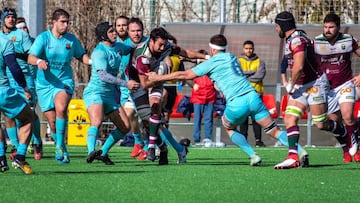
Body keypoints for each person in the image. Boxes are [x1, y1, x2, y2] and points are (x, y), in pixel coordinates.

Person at [146, 34, 309, 167]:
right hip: (254, 97)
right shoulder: (231, 57)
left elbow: (185, 75)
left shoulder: (212, 62)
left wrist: (159, 77)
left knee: (228, 126)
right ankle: (300, 151)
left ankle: (253, 156)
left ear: (211, 48)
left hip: (237, 102)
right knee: (273, 130)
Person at [273, 11, 348, 169]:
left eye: (277, 26)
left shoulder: (297, 40)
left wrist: (290, 85)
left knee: (320, 124)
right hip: (301, 85)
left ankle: (344, 133)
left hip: (314, 85)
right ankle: (293, 156)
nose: (276, 29)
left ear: (282, 26)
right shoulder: (292, 39)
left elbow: (299, 66)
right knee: (289, 119)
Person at [27, 9, 91, 164]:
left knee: (61, 108)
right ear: (54, 22)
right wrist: (39, 62)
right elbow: (30, 57)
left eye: (68, 22)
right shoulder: (44, 38)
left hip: (64, 82)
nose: (66, 25)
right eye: (63, 21)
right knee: (52, 122)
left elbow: (80, 55)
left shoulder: (71, 40)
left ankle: (59, 147)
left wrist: (91, 62)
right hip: (44, 85)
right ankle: (61, 145)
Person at [84, 22, 139, 165]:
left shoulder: (119, 47)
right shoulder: (99, 52)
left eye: (115, 31)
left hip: (109, 94)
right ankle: (91, 151)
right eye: (111, 31)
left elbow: (133, 48)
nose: (115, 33)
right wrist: (125, 83)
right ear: (103, 35)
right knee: (96, 121)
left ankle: (102, 152)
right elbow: (103, 76)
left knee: (125, 127)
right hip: (95, 92)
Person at [313, 13, 360, 162]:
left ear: (338, 28)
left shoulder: (348, 40)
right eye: (325, 27)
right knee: (332, 122)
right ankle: (345, 148)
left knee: (347, 116)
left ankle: (356, 147)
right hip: (327, 89)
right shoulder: (316, 43)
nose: (327, 30)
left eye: (331, 27)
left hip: (345, 84)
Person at [0, 8, 43, 160]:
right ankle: (17, 147)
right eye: (8, 17)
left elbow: (30, 56)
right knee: (9, 115)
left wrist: (36, 61)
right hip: (7, 81)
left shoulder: (21, 35)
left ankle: (37, 141)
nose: (11, 19)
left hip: (23, 77)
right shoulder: (2, 38)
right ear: (2, 19)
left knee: (28, 112)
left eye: (13, 17)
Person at [0, 34, 35, 174]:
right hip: (2, 91)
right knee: (28, 118)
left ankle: (1, 158)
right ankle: (20, 156)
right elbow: (14, 68)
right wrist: (24, 87)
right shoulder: (4, 42)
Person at [238, 40, 266, 147]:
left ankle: (258, 140)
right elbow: (238, 75)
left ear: (253, 49)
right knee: (243, 118)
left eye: (250, 48)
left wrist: (245, 76)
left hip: (256, 93)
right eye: (246, 48)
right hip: (243, 93)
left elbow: (260, 75)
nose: (248, 50)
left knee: (257, 118)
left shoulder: (260, 61)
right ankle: (243, 140)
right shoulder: (238, 61)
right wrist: (251, 73)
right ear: (243, 49)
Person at [188, 50, 217, 145]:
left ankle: (208, 138)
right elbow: (186, 77)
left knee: (209, 118)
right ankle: (196, 139)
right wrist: (193, 85)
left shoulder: (211, 68)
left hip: (210, 96)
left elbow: (216, 78)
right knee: (197, 119)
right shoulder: (195, 68)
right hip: (198, 97)